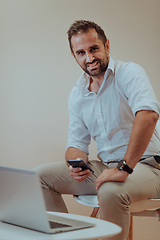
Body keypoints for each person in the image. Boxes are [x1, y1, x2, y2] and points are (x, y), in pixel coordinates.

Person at [34, 20, 160, 240]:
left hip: (148, 166)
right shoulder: (77, 94)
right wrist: (76, 163)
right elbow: (75, 143)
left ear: (107, 46)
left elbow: (148, 115)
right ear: (74, 56)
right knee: (37, 177)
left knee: (111, 190)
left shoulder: (129, 72)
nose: (89, 58)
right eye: (81, 52)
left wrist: (124, 167)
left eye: (93, 49)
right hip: (107, 168)